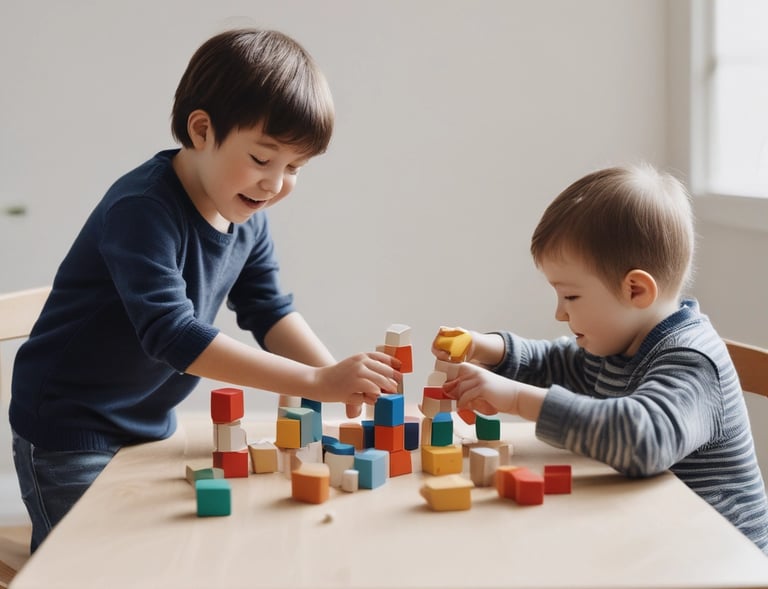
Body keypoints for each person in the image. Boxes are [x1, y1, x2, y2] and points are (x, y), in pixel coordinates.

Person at [10, 28, 401, 552]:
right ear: (201, 130)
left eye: (295, 169)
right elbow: (171, 336)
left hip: (148, 425)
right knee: (93, 564)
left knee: (187, 551)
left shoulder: (247, 216)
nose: (275, 184)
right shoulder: (142, 209)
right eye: (263, 159)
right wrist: (316, 378)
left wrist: (337, 381)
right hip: (71, 430)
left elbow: (269, 309)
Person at [433, 164, 768, 554]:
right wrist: (488, 346)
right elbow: (560, 363)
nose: (559, 312)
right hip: (654, 538)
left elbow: (642, 440)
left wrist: (516, 399)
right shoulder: (622, 342)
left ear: (636, 290)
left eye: (570, 297)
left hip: (719, 560)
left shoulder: (692, 361)